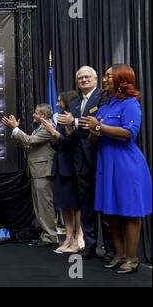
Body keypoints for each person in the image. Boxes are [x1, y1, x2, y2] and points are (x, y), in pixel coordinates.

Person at [80, 64, 151, 274]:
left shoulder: (130, 104)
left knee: (129, 213)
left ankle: (132, 258)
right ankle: (119, 255)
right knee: (111, 214)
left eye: (109, 76)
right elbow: (96, 137)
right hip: (106, 165)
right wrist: (93, 132)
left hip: (126, 165)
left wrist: (99, 127)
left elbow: (129, 133)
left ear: (121, 79)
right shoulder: (105, 106)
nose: (104, 79)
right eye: (104, 76)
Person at [56, 66, 114, 261]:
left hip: (101, 159)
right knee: (86, 207)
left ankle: (109, 249)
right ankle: (89, 246)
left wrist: (75, 122)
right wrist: (68, 129)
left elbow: (98, 122)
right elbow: (69, 135)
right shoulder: (72, 103)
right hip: (80, 162)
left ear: (96, 79)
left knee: (105, 208)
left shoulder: (104, 98)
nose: (83, 80)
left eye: (87, 77)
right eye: (80, 77)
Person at [3, 104, 58, 247]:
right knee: (39, 206)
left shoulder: (47, 127)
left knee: (44, 206)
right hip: (37, 171)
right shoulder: (38, 129)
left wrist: (15, 129)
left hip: (43, 172)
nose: (33, 115)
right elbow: (27, 146)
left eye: (36, 113)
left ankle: (50, 237)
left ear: (44, 116)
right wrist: (15, 133)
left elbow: (29, 141)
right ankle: (45, 235)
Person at [40, 91, 84, 253]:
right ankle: (68, 238)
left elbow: (71, 143)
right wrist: (53, 137)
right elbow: (57, 145)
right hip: (59, 165)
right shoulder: (60, 118)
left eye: (60, 101)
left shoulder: (72, 120)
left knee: (75, 204)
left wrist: (54, 133)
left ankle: (79, 236)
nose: (57, 104)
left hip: (72, 167)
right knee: (64, 204)